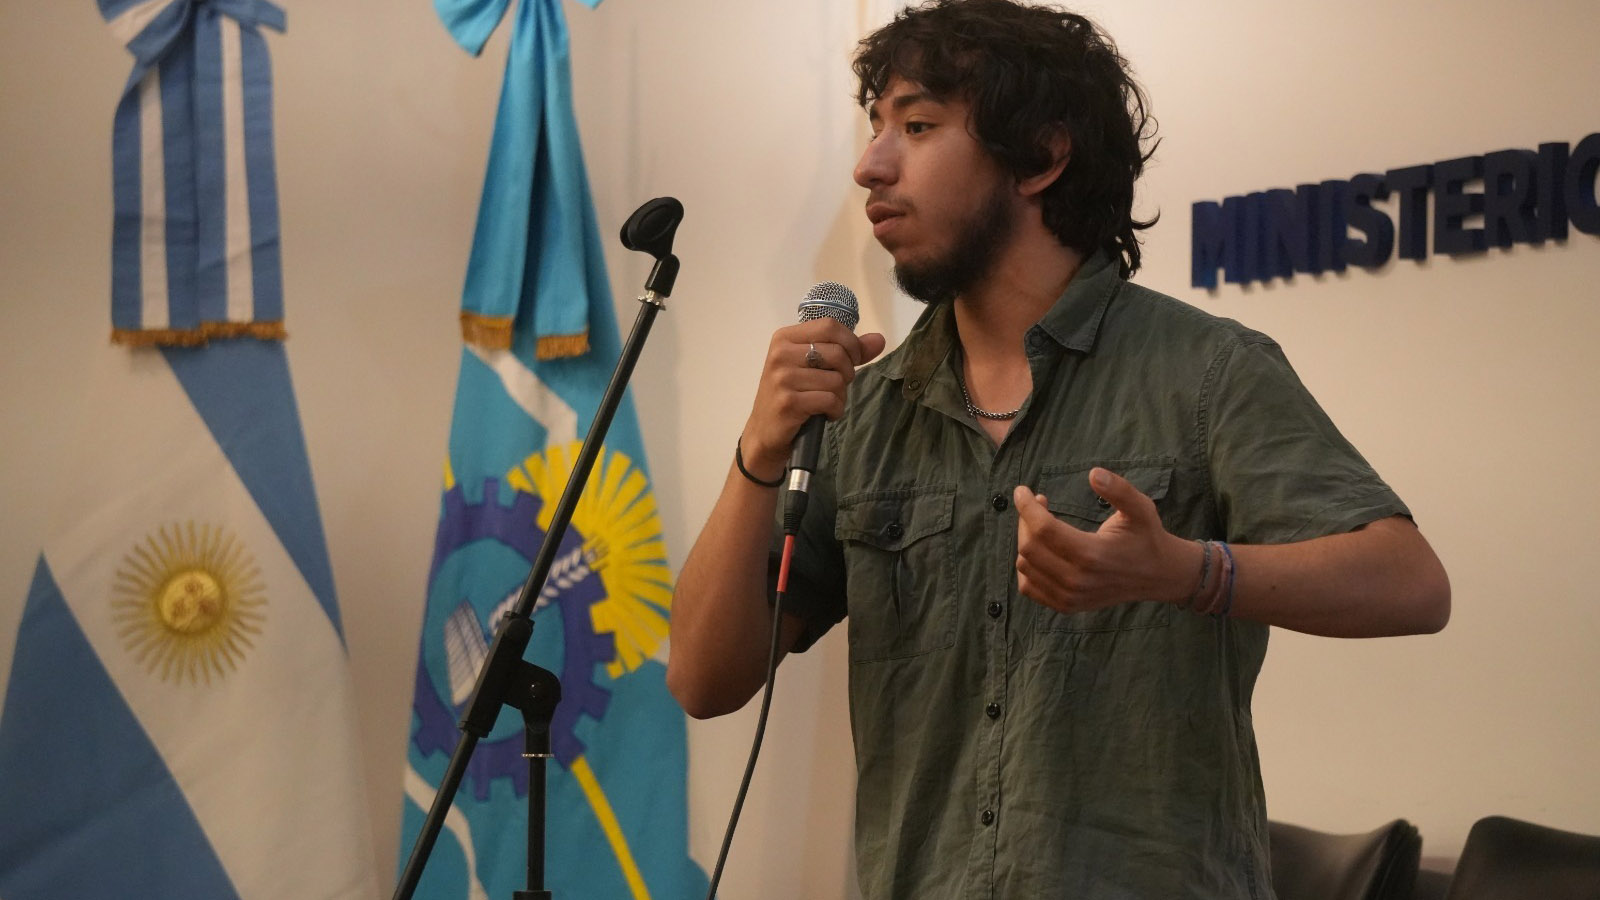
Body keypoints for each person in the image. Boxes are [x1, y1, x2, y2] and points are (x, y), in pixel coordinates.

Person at [667, 0, 1451, 897]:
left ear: (1041, 157)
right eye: (876, 125)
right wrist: (759, 454)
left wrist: (1186, 572)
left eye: (917, 126)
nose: (870, 164)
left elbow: (1410, 581)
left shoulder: (1205, 371)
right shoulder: (865, 413)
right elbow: (702, 680)